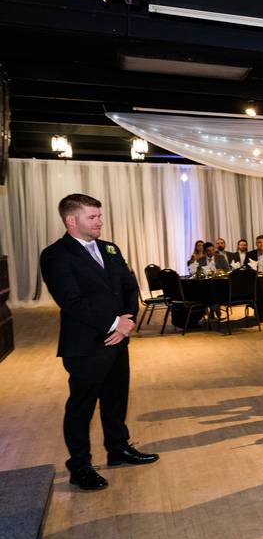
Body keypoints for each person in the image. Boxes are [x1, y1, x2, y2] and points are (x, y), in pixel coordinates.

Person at [39, 193, 158, 491]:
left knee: (116, 399)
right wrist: (113, 323)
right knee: (82, 407)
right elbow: (71, 301)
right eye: (92, 217)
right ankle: (80, 465)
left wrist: (127, 320)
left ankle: (118, 449)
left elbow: (129, 287)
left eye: (99, 216)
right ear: (71, 220)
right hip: (85, 346)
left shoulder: (110, 249)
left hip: (119, 339)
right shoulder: (56, 255)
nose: (99, 222)